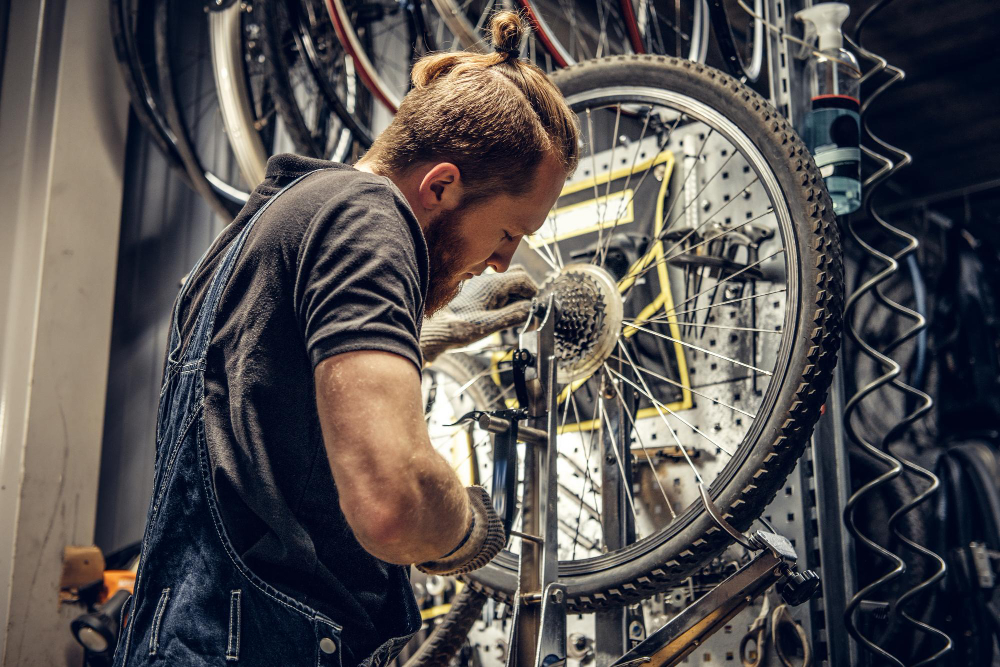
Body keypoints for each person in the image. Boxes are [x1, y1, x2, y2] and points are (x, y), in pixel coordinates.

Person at [111, 11, 580, 667]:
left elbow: (276, 402)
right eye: (506, 234)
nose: (502, 262)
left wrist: (428, 334)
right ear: (441, 184)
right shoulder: (369, 219)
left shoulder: (269, 224)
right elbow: (395, 503)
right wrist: (465, 525)